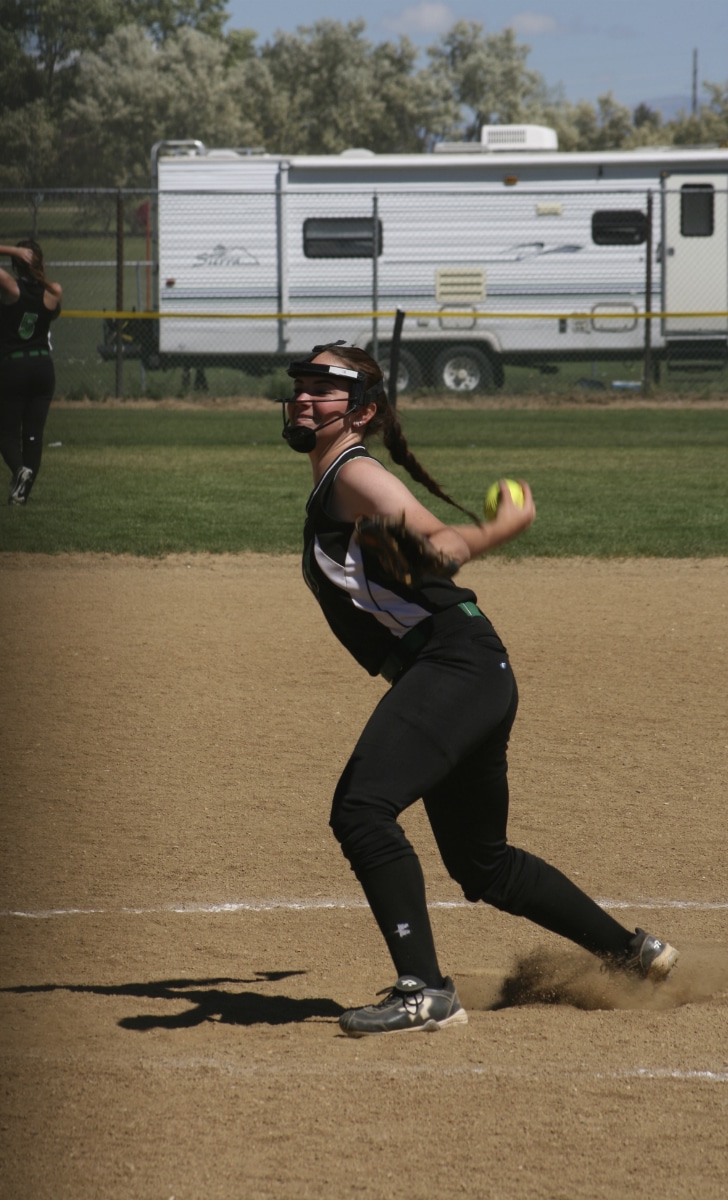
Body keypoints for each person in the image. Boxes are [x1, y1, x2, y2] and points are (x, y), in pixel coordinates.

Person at [275, 339, 679, 1038]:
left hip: (453, 666)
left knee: (362, 810)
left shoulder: (355, 475)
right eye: (301, 383)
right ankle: (632, 953)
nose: (304, 396)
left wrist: (497, 529)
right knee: (483, 865)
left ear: (362, 411)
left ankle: (426, 992)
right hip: (470, 668)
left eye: (323, 386)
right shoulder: (338, 479)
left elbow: (438, 547)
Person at [0, 240, 62, 505]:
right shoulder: (54, 291)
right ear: (41, 262)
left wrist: (13, 251)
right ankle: (21, 495)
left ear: (17, 264)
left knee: (8, 438)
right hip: (42, 367)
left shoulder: (11, 288)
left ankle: (19, 470)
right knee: (33, 437)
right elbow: (51, 315)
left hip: (14, 366)